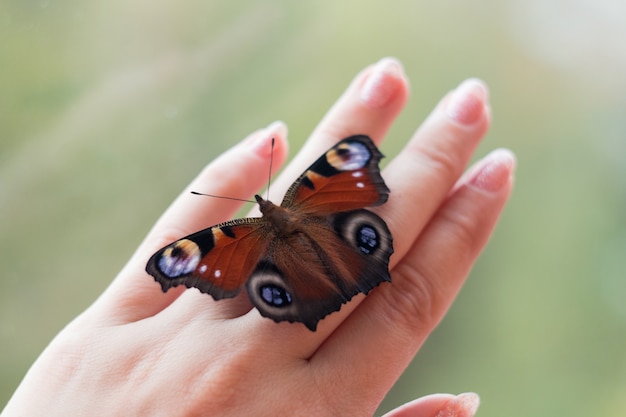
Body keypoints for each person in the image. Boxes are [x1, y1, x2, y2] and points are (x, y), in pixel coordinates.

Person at [1, 58, 515, 417]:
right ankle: (343, 269)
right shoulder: (302, 193)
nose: (266, 205)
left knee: (311, 280)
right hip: (336, 229)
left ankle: (310, 290)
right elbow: (347, 156)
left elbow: (352, 155)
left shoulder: (233, 236)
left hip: (283, 269)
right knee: (360, 247)